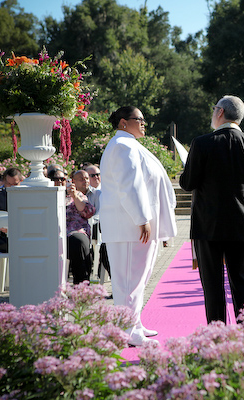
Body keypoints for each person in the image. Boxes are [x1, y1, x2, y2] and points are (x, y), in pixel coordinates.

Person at [179, 95, 244, 324]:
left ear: (219, 112)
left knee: (212, 283)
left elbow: (188, 183)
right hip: (240, 221)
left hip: (207, 224)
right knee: (242, 279)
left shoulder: (202, 143)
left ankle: (217, 335)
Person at [100, 106, 177, 346]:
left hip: (135, 225)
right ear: (123, 122)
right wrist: (142, 219)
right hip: (130, 226)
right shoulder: (123, 146)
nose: (144, 123)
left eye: (144, 119)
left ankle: (135, 323)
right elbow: (129, 186)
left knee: (139, 278)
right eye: (139, 119)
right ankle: (127, 330)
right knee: (128, 280)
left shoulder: (129, 143)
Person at [50, 168, 96, 285]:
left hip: (75, 232)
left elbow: (88, 212)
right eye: (56, 179)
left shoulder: (78, 195)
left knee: (79, 242)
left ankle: (81, 288)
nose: (60, 182)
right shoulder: (46, 197)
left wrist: (74, 196)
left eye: (62, 179)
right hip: (53, 233)